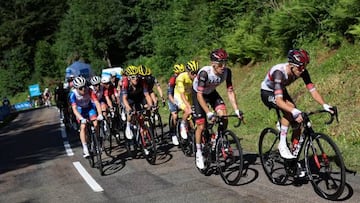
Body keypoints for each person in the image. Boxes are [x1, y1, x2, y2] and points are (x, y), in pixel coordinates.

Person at [260, 48, 334, 159]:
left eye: (305, 66)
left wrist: (325, 105)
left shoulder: (302, 71)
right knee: (289, 111)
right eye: (300, 67)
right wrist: (293, 111)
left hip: (281, 90)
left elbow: (313, 91)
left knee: (298, 122)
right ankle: (282, 144)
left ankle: (294, 157)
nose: (303, 69)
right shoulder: (279, 73)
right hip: (267, 92)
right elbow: (279, 101)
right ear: (291, 65)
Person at [192, 48, 244, 169]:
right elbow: (200, 95)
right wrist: (208, 112)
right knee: (201, 125)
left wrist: (236, 109)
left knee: (224, 115)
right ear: (213, 64)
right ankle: (199, 152)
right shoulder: (205, 73)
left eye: (225, 62)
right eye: (220, 64)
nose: (223, 66)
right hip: (198, 94)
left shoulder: (227, 72)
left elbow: (230, 91)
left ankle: (218, 139)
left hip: (211, 93)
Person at [69, 76, 103, 158]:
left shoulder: (90, 90)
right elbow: (74, 109)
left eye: (84, 86)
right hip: (80, 111)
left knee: (95, 123)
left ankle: (97, 141)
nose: (83, 89)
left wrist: (100, 114)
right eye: (80, 88)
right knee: (83, 126)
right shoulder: (73, 94)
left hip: (89, 108)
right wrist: (81, 118)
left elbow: (97, 103)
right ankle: (85, 148)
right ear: (76, 88)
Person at [121, 65, 153, 143]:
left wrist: (151, 105)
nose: (135, 79)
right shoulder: (125, 83)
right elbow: (124, 99)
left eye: (136, 77)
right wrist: (129, 109)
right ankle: (128, 126)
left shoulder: (142, 82)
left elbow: (147, 95)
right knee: (130, 112)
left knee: (141, 114)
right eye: (133, 77)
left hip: (137, 96)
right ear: (128, 78)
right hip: (128, 98)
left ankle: (143, 132)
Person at [174, 61, 199, 145]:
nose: (195, 75)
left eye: (196, 72)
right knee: (188, 110)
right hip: (179, 96)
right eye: (193, 73)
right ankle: (182, 125)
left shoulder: (197, 78)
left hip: (189, 95)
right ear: (188, 72)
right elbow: (182, 95)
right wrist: (188, 106)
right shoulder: (181, 78)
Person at [167, 64, 185, 145]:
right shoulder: (172, 80)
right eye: (179, 74)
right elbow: (169, 94)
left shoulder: (184, 78)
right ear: (175, 73)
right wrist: (174, 103)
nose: (180, 75)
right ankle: (173, 133)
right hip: (173, 98)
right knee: (175, 115)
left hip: (181, 97)